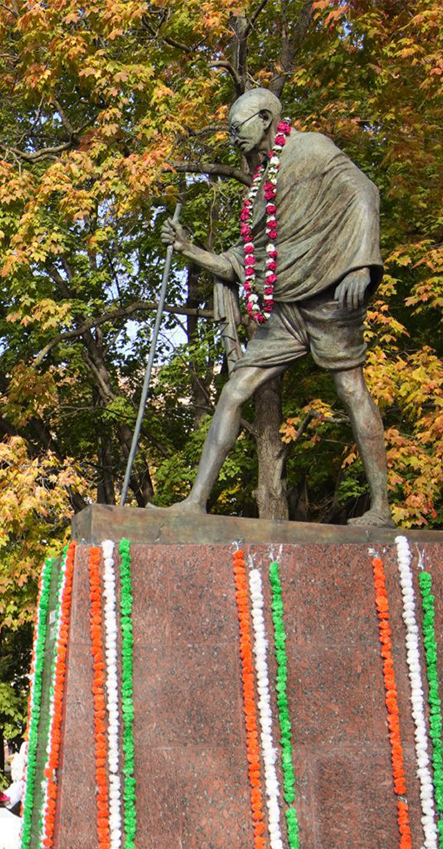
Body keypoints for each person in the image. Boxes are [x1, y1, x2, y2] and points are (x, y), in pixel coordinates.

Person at [160, 87, 390, 525]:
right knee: (234, 390)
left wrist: (360, 266)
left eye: (236, 128)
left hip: (328, 293)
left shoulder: (311, 149)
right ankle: (195, 502)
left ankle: (380, 509)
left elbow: (365, 193)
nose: (232, 138)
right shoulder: (262, 184)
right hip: (285, 309)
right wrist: (190, 250)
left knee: (351, 389)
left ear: (265, 119)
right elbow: (248, 256)